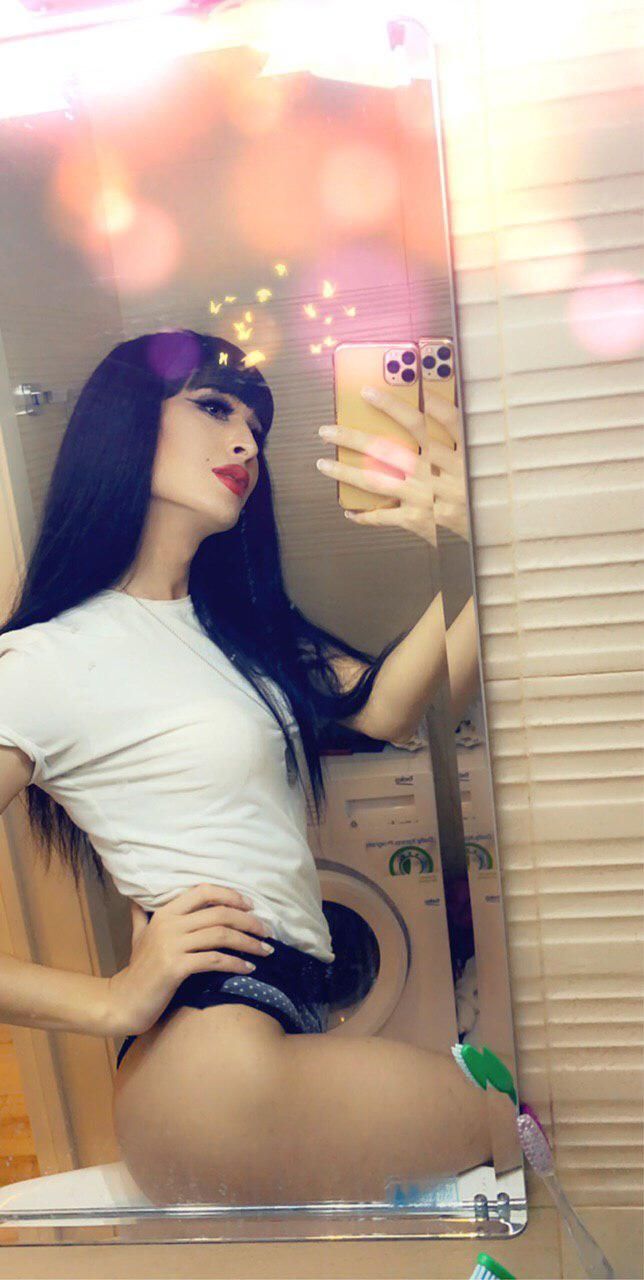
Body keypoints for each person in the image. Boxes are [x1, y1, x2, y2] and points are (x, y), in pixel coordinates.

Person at [0, 329, 488, 1206]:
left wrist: (482, 547)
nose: (245, 444)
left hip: (272, 1030)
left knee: (511, 1164)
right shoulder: (43, 662)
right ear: (123, 421)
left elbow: (386, 710)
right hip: (209, 1067)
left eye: (255, 427)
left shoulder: (239, 634)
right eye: (215, 408)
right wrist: (111, 999)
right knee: (524, 1136)